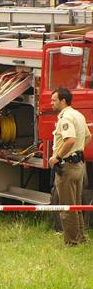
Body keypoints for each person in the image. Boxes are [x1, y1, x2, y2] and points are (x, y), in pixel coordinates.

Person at [49, 87, 91, 246]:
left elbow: (70, 139)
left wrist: (57, 157)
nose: (51, 103)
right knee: (77, 205)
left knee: (67, 207)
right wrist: (77, 151)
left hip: (67, 167)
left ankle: (72, 241)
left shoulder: (65, 118)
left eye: (54, 100)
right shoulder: (78, 115)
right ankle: (80, 237)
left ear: (63, 101)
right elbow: (88, 136)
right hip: (79, 165)